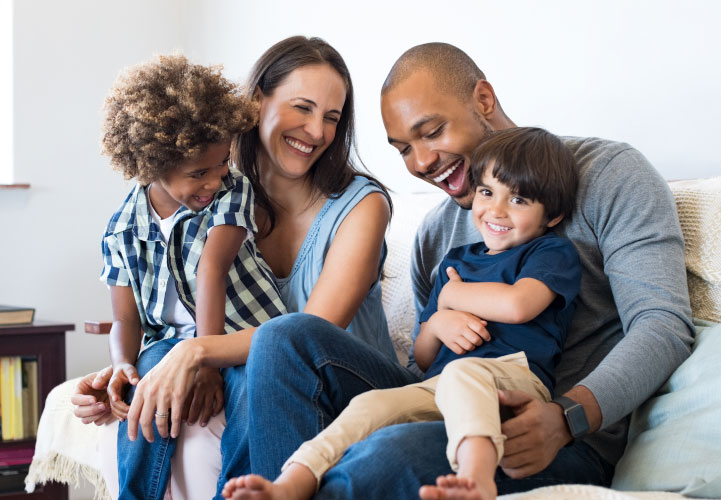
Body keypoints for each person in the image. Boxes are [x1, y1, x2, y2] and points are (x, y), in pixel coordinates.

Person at [237, 42, 695, 499]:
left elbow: (663, 326)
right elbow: (425, 361)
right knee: (284, 338)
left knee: (386, 455)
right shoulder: (437, 233)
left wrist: (567, 417)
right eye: (403, 150)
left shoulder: (609, 175)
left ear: (483, 100)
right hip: (446, 401)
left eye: (432, 131)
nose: (421, 163)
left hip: (550, 433)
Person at [71, 36, 403, 500]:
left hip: (344, 385)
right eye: (302, 108)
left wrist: (197, 352)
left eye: (332, 117)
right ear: (255, 103)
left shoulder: (360, 207)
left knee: (264, 361)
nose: (316, 131)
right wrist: (124, 372)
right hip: (253, 367)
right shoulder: (212, 198)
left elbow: (310, 334)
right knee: (157, 384)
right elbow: (163, 307)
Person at [221, 126, 582, 500]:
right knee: (370, 405)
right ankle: (291, 482)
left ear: (552, 216)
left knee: (463, 372)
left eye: (519, 200)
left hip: (514, 381)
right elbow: (424, 357)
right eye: (487, 192)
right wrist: (439, 320)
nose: (496, 210)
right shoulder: (456, 261)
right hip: (438, 386)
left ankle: (478, 478)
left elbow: (518, 305)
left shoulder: (549, 253)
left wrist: (453, 296)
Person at [96, 53, 286, 500]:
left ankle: (239, 493)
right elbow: (126, 319)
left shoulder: (231, 189)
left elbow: (211, 269)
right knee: (146, 385)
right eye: (198, 173)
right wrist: (124, 363)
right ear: (150, 165)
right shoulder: (122, 229)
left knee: (249, 391)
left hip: (243, 333)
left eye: (221, 164)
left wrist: (206, 360)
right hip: (168, 343)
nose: (214, 180)